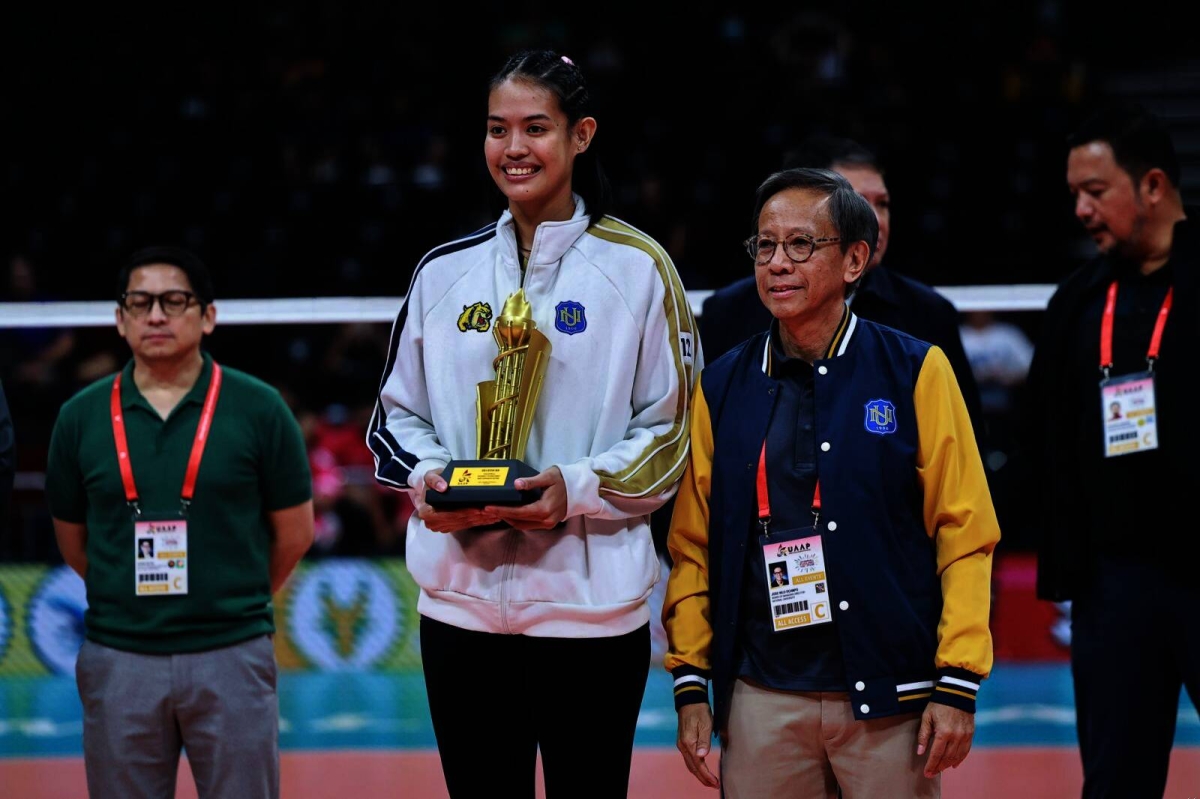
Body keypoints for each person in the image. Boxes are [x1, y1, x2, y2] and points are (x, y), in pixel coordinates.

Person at [367, 50, 700, 799]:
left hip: (590, 612)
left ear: (582, 135)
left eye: (535, 128)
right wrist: (434, 481)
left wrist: (572, 490)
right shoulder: (442, 272)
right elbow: (396, 417)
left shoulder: (641, 269)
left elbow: (672, 435)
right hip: (458, 610)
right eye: (496, 129)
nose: (513, 148)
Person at [663, 168, 999, 798]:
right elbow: (691, 543)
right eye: (765, 246)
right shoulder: (722, 384)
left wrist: (957, 681)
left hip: (890, 700)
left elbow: (965, 531)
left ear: (853, 261)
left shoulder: (917, 370)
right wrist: (691, 683)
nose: (778, 264)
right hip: (761, 697)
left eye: (800, 245)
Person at [45, 246, 314, 799]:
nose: (157, 315)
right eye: (140, 303)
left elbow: (295, 533)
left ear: (208, 315)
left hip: (232, 653)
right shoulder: (79, 417)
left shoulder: (260, 408)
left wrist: (234, 600)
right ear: (119, 320)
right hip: (119, 657)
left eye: (174, 301)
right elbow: (73, 541)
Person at [1023, 101, 1199, 798]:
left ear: (1152, 186)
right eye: (1074, 195)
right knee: (1117, 780)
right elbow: (1045, 438)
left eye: (1095, 192)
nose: (1081, 211)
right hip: (1114, 587)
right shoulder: (1076, 301)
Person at [698, 136, 984, 440]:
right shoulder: (727, 312)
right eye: (857, 203)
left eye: (882, 204)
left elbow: (965, 444)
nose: (874, 220)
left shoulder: (929, 313)